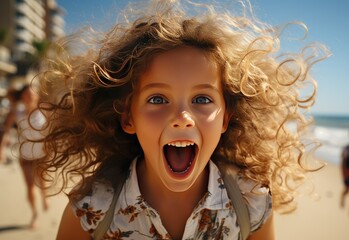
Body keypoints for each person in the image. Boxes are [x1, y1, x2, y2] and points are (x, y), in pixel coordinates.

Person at [28, 0, 329, 239]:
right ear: (128, 118)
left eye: (202, 99)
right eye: (158, 99)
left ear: (226, 117)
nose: (182, 118)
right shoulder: (91, 209)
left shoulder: (251, 204)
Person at [0, 84, 49, 229]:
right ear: (23, 96)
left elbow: (52, 131)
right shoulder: (17, 112)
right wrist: (1, 149)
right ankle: (35, 215)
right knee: (30, 187)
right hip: (25, 156)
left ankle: (45, 197)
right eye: (27, 95)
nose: (29, 97)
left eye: (32, 95)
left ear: (37, 97)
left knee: (42, 183)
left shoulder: (44, 111)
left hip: (42, 155)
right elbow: (6, 131)